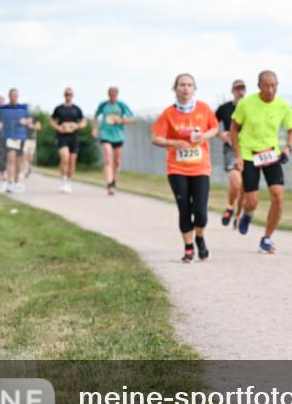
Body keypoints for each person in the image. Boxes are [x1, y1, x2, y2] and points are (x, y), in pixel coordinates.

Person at [151, 73, 219, 263]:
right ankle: (188, 248)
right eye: (182, 85)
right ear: (175, 88)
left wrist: (205, 136)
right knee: (184, 208)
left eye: (189, 85)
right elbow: (155, 138)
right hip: (177, 168)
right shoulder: (168, 113)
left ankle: (200, 238)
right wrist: (174, 143)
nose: (186, 88)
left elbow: (214, 128)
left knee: (201, 211)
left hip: (200, 167)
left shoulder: (204, 108)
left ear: (194, 88)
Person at [230, 71, 292, 254]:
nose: (270, 89)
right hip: (249, 154)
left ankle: (266, 238)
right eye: (266, 86)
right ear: (259, 86)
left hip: (271, 155)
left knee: (278, 198)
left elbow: (291, 130)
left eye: (274, 85)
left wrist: (288, 148)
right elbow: (234, 129)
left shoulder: (282, 105)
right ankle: (247, 214)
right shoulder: (246, 104)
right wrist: (238, 156)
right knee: (252, 201)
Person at [92, 86, 135, 195]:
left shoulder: (121, 105)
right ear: (108, 95)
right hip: (105, 134)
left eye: (115, 94)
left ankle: (114, 181)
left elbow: (132, 118)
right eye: (111, 94)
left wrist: (121, 120)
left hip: (118, 136)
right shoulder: (103, 105)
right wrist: (95, 128)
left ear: (117, 95)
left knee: (117, 161)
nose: (113, 96)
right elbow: (95, 116)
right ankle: (109, 184)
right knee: (107, 158)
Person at [215, 79, 247, 226]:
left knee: (244, 187)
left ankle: (238, 216)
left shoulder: (250, 107)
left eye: (242, 89)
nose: (240, 92)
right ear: (232, 91)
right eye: (237, 89)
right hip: (231, 149)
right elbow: (210, 124)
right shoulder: (224, 108)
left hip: (248, 149)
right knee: (236, 183)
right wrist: (220, 134)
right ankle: (229, 207)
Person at [0, 89, 32, 193]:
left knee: (18, 161)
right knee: (11, 158)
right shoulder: (3, 108)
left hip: (20, 137)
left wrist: (25, 121)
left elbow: (30, 119)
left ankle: (16, 181)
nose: (14, 98)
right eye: (12, 96)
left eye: (15, 96)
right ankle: (10, 183)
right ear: (9, 96)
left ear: (18, 96)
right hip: (8, 136)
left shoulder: (23, 108)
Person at [50, 88, 87, 193]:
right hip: (62, 136)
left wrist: (78, 126)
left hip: (73, 137)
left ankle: (69, 181)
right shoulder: (59, 108)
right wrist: (58, 127)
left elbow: (84, 121)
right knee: (64, 157)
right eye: (67, 94)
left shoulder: (77, 109)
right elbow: (52, 120)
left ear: (72, 95)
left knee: (72, 161)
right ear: (64, 95)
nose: (68, 96)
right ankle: (63, 180)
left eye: (70, 94)